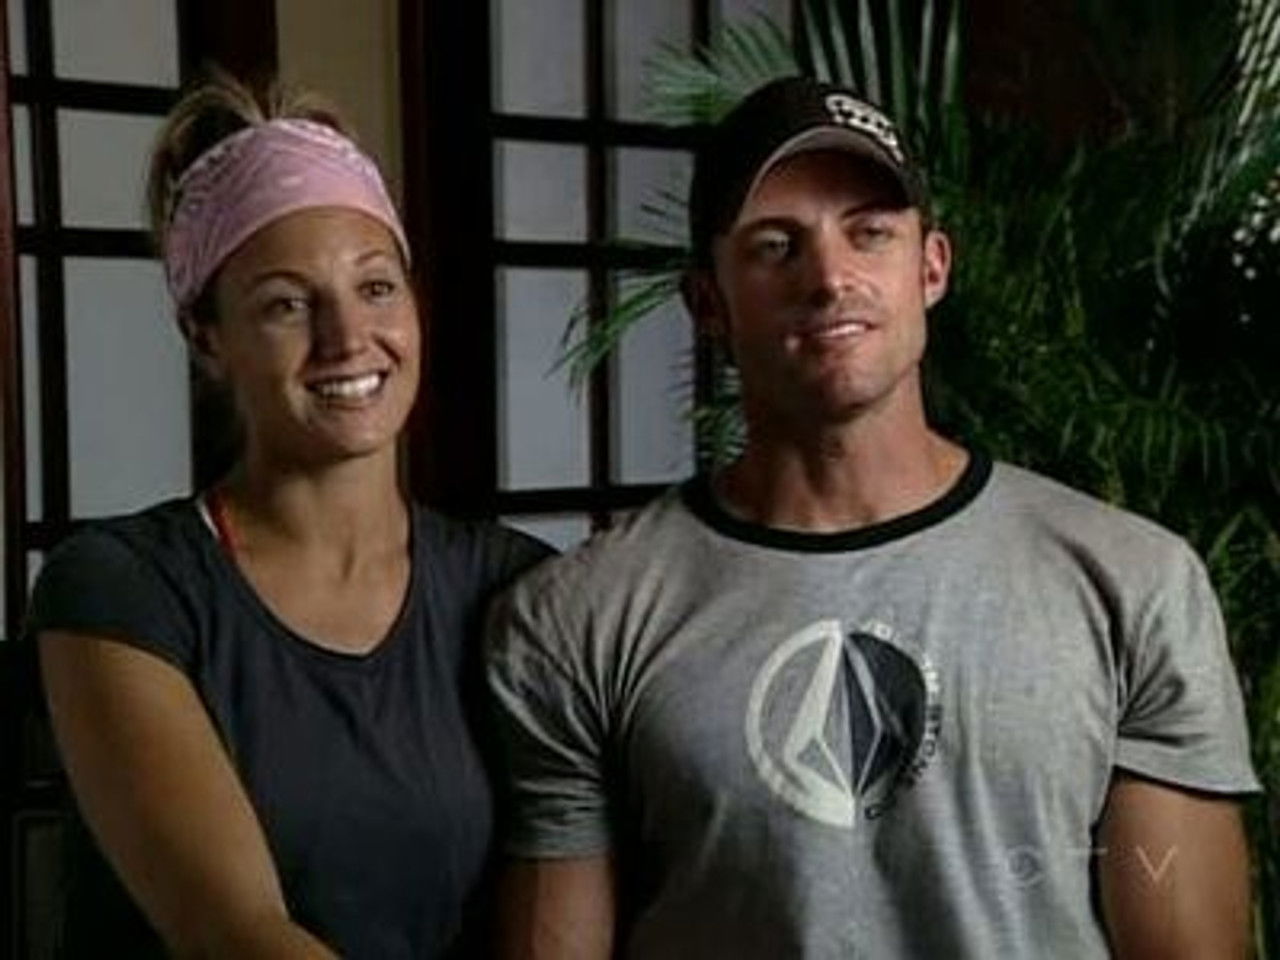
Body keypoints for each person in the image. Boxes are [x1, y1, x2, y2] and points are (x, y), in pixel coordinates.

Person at [484, 76, 1260, 958]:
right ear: (708, 304)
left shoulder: (1133, 584)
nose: (829, 278)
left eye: (870, 233)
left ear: (931, 267)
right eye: (776, 246)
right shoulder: (579, 617)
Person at [24, 74, 550, 958]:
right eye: (286, 304)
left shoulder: (519, 587)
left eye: (376, 288)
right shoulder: (118, 592)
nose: (347, 339)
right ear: (206, 337)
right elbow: (235, 932)